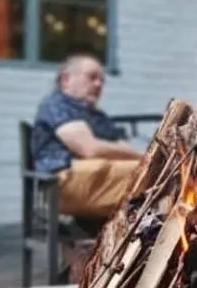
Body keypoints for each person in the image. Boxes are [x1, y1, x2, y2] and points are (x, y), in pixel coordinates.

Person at [30, 54, 142, 219]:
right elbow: (90, 149)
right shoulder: (56, 105)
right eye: (92, 77)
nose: (98, 84)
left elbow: (122, 146)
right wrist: (144, 157)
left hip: (92, 178)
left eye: (102, 80)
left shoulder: (95, 114)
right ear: (65, 80)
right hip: (61, 182)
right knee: (155, 175)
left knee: (155, 175)